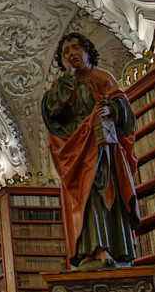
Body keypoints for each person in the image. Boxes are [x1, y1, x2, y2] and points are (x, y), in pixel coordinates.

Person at [42, 32, 139, 268]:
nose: (72, 54)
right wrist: (68, 78)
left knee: (100, 193)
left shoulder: (102, 78)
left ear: (87, 51)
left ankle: (106, 247)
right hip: (76, 150)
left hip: (101, 147)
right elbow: (52, 110)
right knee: (79, 200)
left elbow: (125, 111)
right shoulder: (62, 85)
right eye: (66, 52)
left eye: (76, 48)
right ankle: (85, 249)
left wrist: (111, 110)